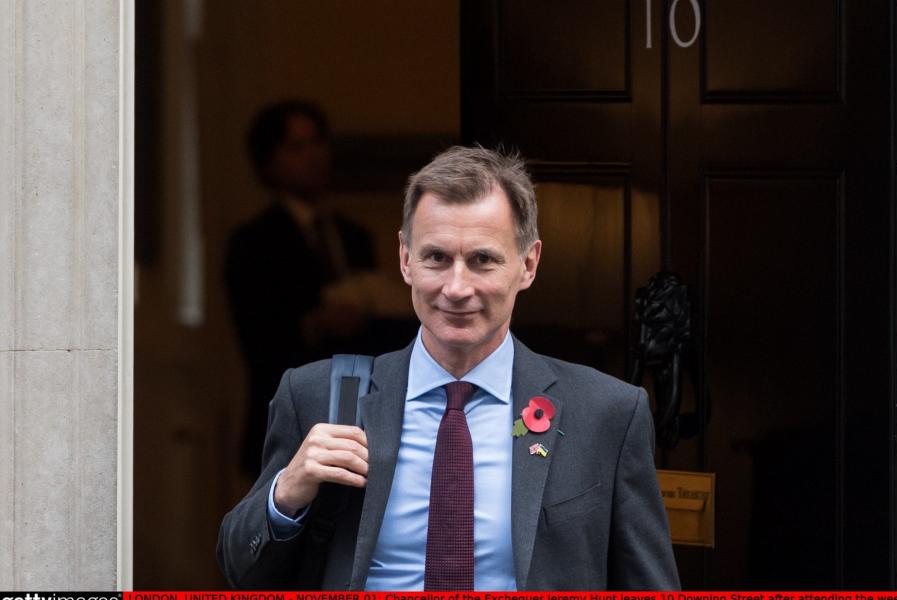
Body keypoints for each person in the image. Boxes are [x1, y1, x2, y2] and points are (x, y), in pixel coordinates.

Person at [217, 146, 680, 590]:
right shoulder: (317, 396)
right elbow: (241, 570)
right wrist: (287, 493)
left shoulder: (607, 413)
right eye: (437, 257)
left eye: (482, 260)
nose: (457, 288)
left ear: (528, 264)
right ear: (405, 259)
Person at [225, 100, 376, 478]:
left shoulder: (356, 237)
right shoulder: (252, 242)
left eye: (317, 143)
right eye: (296, 147)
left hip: (357, 417)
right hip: (282, 419)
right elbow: (255, 336)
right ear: (268, 162)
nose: (313, 157)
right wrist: (315, 324)